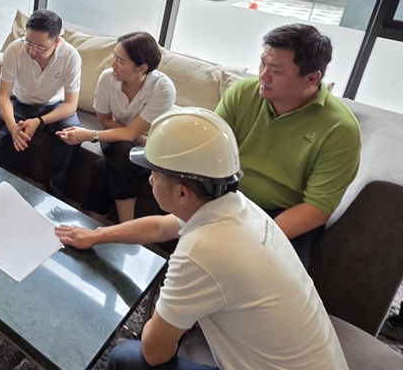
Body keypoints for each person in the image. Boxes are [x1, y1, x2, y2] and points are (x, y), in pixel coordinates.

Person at [56, 108, 349, 370]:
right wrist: (97, 235)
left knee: (125, 358)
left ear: (182, 193)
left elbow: (154, 352)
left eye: (154, 174)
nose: (150, 180)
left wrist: (174, 309)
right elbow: (159, 228)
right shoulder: (238, 207)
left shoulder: (202, 251)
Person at [215, 24, 361, 268]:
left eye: (276, 71)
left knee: (271, 278)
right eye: (262, 63)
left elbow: (316, 208)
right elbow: (209, 151)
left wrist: (254, 237)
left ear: (311, 78)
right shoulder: (242, 93)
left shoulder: (341, 129)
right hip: (225, 194)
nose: (263, 76)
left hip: (283, 215)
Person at [57, 32, 176, 223]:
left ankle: (96, 222)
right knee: (122, 147)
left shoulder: (162, 89)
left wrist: (88, 135)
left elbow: (128, 133)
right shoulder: (107, 78)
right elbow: (105, 120)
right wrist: (136, 136)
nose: (113, 64)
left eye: (120, 61)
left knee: (104, 167)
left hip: (153, 148)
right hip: (125, 138)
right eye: (114, 56)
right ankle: (126, 228)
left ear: (142, 68)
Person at [0, 9, 81, 196]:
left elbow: (71, 105)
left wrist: (38, 121)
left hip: (54, 106)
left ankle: (56, 190)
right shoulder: (15, 49)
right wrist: (12, 128)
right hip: (19, 102)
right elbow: (3, 96)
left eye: (40, 47)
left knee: (72, 133)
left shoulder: (70, 57)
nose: (32, 51)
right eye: (29, 43)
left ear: (56, 42)